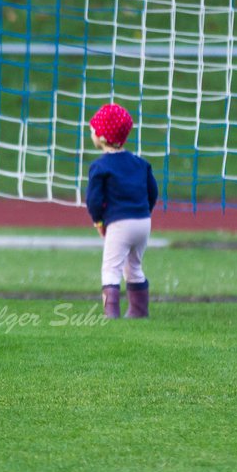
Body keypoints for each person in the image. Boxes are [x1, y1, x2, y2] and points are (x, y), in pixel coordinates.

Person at [86, 103, 158, 319]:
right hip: (143, 222)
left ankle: (111, 313)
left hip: (119, 223)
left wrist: (99, 222)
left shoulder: (100, 167)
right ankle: (139, 311)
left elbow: (94, 200)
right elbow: (152, 192)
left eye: (93, 130)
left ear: (102, 136)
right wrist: (144, 212)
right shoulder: (140, 163)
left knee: (111, 269)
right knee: (134, 267)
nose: (91, 134)